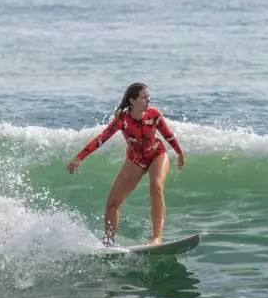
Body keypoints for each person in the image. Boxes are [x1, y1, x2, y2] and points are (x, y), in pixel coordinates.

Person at [68, 83, 186, 246]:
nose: (148, 100)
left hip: (157, 154)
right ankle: (109, 242)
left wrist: (179, 153)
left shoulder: (154, 115)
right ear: (132, 100)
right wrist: (79, 157)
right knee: (112, 204)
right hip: (135, 160)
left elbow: (168, 135)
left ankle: (157, 237)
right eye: (144, 97)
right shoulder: (122, 120)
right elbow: (101, 139)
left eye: (148, 97)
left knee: (156, 186)